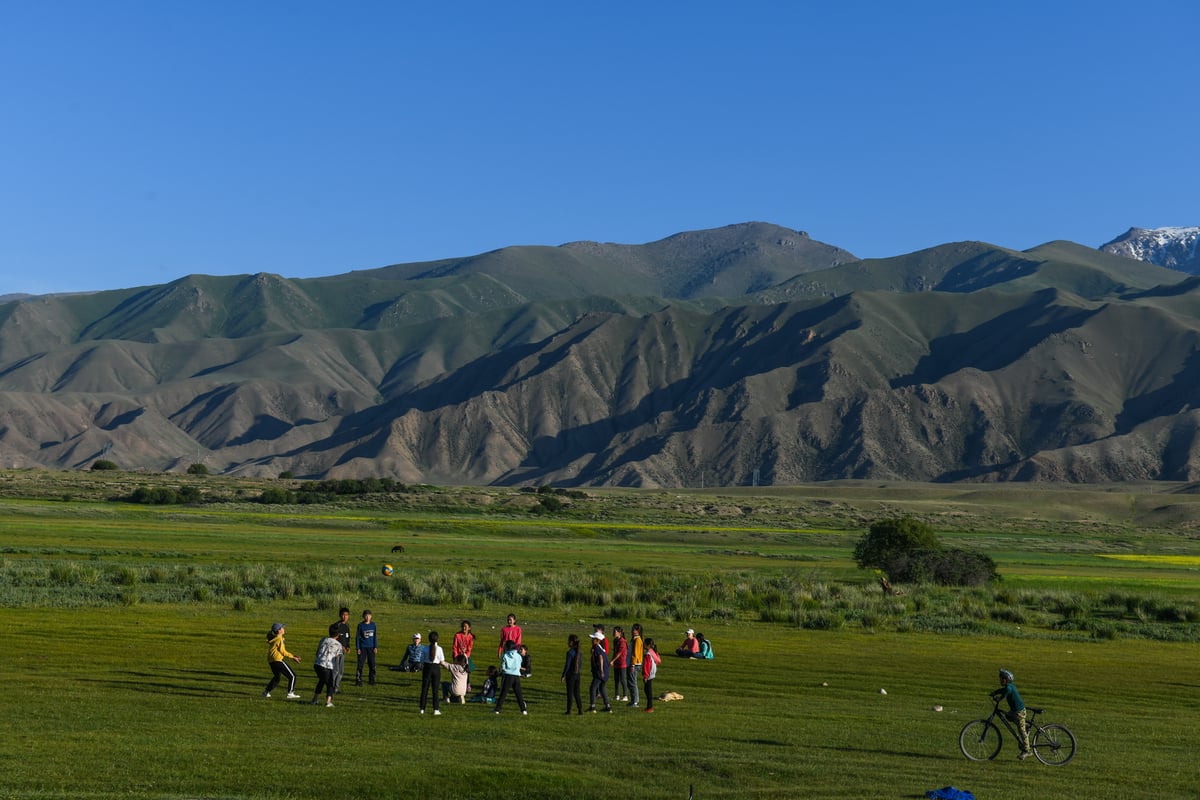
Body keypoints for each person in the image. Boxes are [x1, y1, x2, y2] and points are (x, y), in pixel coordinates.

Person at [991, 669, 1032, 759]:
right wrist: (995, 692)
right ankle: (1025, 725)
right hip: (1015, 711)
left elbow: (1005, 693)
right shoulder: (1009, 686)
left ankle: (1027, 750)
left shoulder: (1009, 688)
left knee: (1022, 732)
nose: (1001, 680)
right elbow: (1003, 690)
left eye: (1002, 679)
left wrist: (999, 699)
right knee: (1008, 715)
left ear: (1007, 679)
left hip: (1019, 712)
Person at [263, 622, 302, 699]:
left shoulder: (275, 638)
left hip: (271, 661)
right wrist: (293, 657)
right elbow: (283, 652)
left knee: (277, 678)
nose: (284, 629)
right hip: (278, 660)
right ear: (279, 630)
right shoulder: (279, 638)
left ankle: (266, 692)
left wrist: (293, 656)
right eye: (282, 628)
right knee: (292, 676)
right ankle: (290, 693)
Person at [494, 640, 528, 715]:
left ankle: (497, 709)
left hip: (508, 676)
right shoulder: (519, 656)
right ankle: (523, 710)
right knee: (519, 694)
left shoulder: (505, 655)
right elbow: (519, 665)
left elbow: (503, 666)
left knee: (503, 693)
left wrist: (502, 671)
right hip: (516, 677)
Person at [311, 632, 345, 707]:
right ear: (337, 635)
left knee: (321, 681)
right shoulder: (338, 644)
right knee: (330, 684)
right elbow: (338, 655)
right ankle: (328, 702)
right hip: (326, 666)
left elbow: (317, 652)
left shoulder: (323, 640)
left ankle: (314, 699)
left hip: (317, 664)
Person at [419, 631, 445, 715]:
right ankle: (436, 709)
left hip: (427, 667)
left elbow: (421, 660)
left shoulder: (425, 648)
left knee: (424, 689)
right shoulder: (440, 649)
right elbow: (442, 661)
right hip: (436, 668)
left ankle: (422, 709)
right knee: (435, 690)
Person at [587, 630, 612, 712]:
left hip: (601, 671)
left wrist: (601, 670)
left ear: (597, 640)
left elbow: (600, 658)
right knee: (602, 688)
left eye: (593, 639)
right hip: (606, 671)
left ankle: (592, 706)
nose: (591, 640)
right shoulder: (600, 648)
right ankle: (608, 706)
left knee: (593, 687)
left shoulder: (597, 647)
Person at [329, 607, 351, 693]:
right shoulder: (336, 626)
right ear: (340, 615)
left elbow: (348, 638)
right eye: (343, 615)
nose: (344, 617)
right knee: (336, 670)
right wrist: (340, 647)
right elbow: (333, 639)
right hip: (336, 652)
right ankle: (331, 686)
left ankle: (336, 688)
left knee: (341, 671)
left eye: (346, 615)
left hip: (343, 652)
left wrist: (348, 647)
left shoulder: (347, 626)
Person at [561, 634, 584, 715]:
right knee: (577, 692)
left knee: (570, 693)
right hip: (577, 674)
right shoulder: (579, 652)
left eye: (569, 641)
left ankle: (569, 710)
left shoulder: (570, 653)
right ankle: (580, 709)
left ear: (572, 642)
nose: (567, 642)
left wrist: (563, 675)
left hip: (571, 675)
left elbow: (567, 665)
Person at [355, 609, 378, 686]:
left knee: (372, 664)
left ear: (371, 616)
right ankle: (358, 680)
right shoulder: (360, 625)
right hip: (363, 647)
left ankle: (372, 680)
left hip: (371, 647)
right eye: (366, 616)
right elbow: (357, 637)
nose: (367, 617)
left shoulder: (373, 625)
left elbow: (375, 636)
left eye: (369, 616)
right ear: (363, 616)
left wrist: (375, 647)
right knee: (360, 664)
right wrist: (358, 648)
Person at [627, 623, 644, 707]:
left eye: (635, 630)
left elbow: (635, 654)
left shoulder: (637, 640)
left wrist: (632, 665)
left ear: (638, 631)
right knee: (630, 682)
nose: (633, 631)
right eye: (633, 629)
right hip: (632, 663)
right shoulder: (634, 639)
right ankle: (633, 700)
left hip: (635, 664)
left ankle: (635, 701)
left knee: (633, 682)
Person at [609, 627, 628, 702]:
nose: (613, 633)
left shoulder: (622, 641)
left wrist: (613, 660)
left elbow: (619, 653)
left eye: (615, 632)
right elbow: (615, 652)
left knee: (623, 679)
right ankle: (617, 695)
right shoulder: (615, 641)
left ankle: (625, 695)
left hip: (622, 662)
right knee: (616, 679)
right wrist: (612, 660)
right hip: (616, 662)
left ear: (619, 633)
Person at [642, 638, 661, 712]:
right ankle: (649, 707)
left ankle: (650, 707)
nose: (643, 644)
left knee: (648, 691)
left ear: (648, 645)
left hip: (648, 674)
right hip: (652, 673)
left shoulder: (647, 654)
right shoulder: (653, 652)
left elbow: (646, 666)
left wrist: (645, 676)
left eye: (644, 643)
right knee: (647, 690)